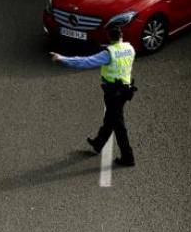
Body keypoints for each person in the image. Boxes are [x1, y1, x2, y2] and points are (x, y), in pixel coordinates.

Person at [50, 27, 137, 167]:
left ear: (109, 37)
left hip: (113, 93)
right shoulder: (130, 48)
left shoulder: (109, 53)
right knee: (110, 118)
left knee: (119, 125)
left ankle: (128, 157)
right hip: (125, 90)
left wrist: (62, 59)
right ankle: (98, 143)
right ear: (121, 35)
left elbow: (85, 62)